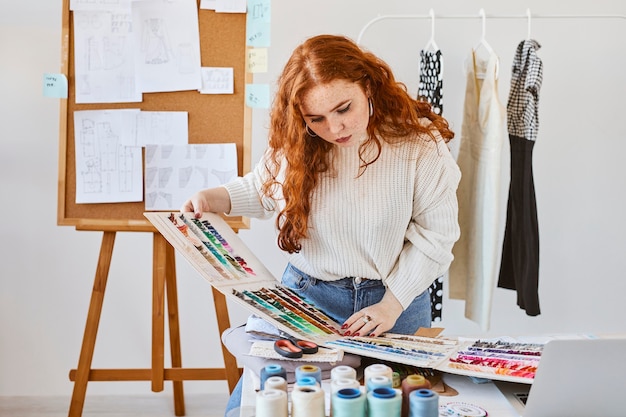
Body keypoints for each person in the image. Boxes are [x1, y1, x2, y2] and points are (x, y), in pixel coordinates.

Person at [181, 34, 461, 415]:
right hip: (308, 298)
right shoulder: (298, 142)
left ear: (367, 86)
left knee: (396, 408)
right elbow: (262, 189)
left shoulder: (419, 145)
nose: (335, 128)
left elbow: (437, 236)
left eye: (344, 109)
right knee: (255, 408)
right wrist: (216, 198)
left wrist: (390, 306)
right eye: (317, 119)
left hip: (395, 302)